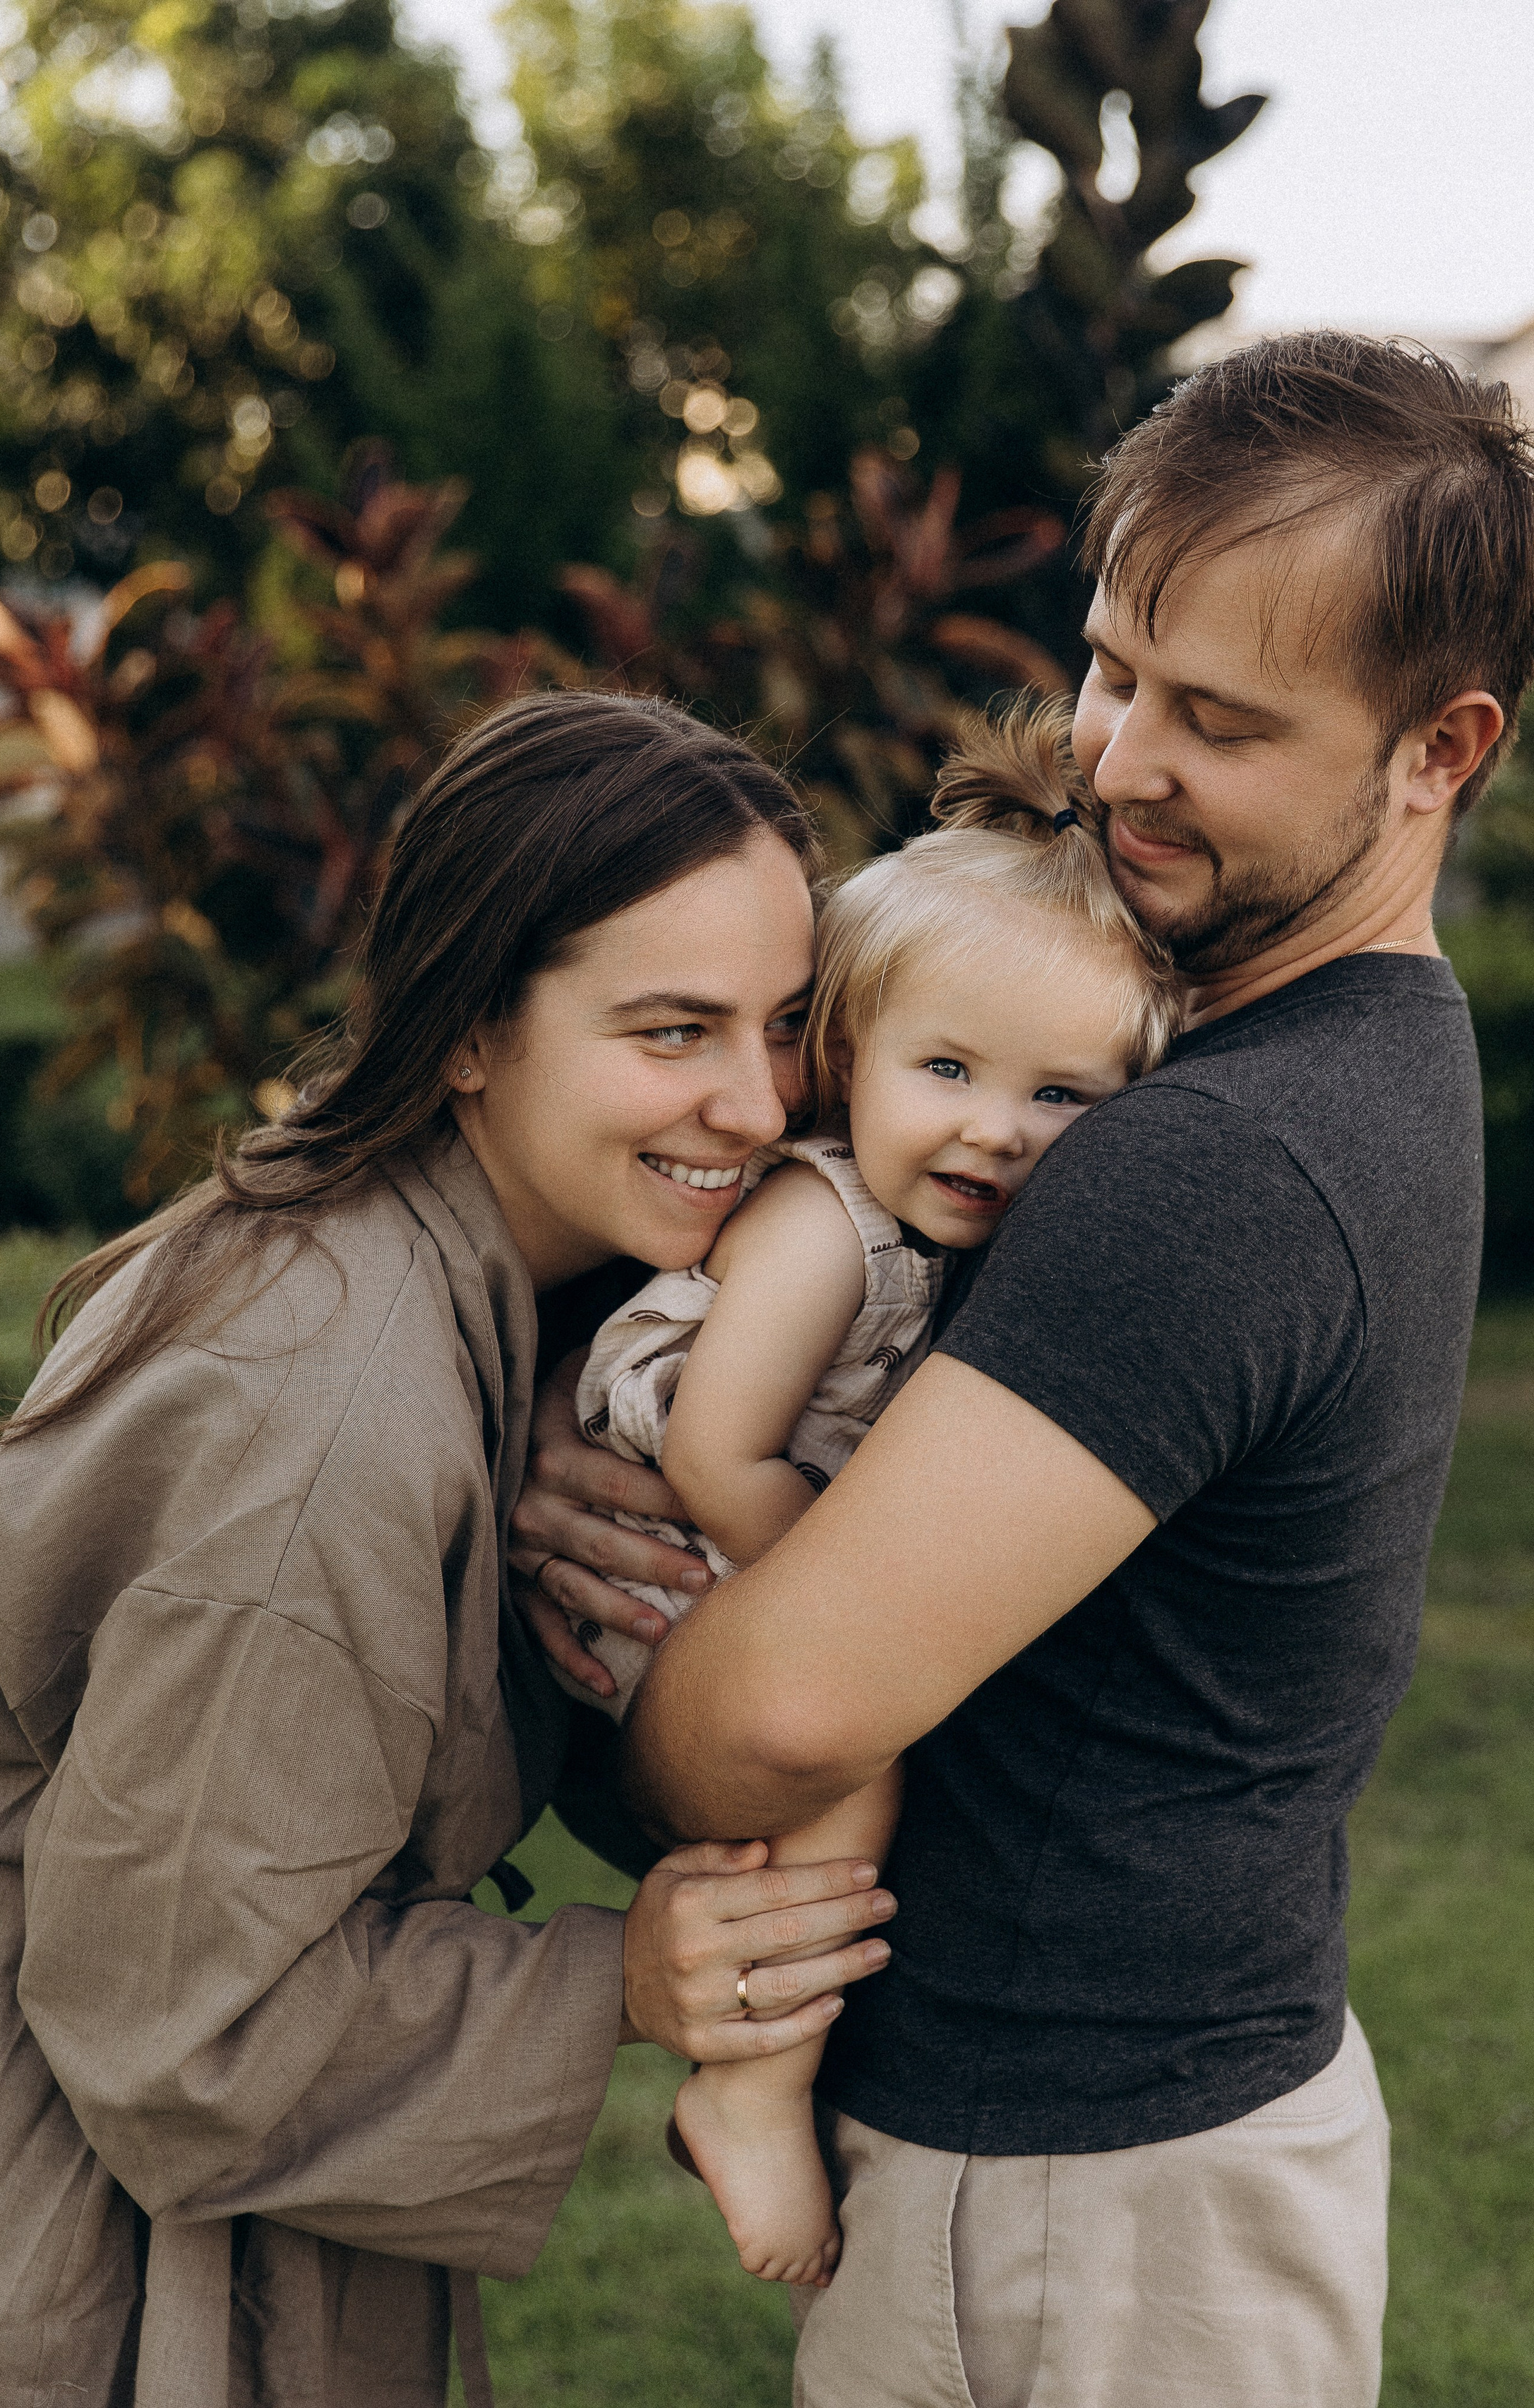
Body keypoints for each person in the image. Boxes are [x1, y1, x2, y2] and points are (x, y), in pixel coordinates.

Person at [517, 335, 1534, 2407]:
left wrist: (579, 1619)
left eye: (1218, 722)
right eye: (1112, 668)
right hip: (1154, 2138)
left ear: (1440, 748)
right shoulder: (1342, 1060)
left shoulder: (1207, 1161)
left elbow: (780, 1719)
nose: (1112, 761)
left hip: (1076, 2201)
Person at [0, 691, 901, 2408]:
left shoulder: (487, 1311)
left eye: (784, 1025)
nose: (754, 1101)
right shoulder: (319, 1435)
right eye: (670, 1030)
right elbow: (181, 2031)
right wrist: (615, 1982)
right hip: (91, 2264)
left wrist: (560, 1402)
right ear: (472, 1028)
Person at [563, 701, 1182, 2289]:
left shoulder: (950, 1238)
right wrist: (876, 1628)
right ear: (848, 1058)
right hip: (671, 1543)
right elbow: (712, 1452)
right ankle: (752, 2091)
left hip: (732, 1538)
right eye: (950, 1068)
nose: (994, 1126)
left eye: (1060, 1097)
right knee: (851, 1772)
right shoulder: (822, 1223)